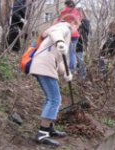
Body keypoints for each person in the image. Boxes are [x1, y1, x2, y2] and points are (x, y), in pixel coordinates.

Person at [29, 14, 80, 146]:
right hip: (44, 65)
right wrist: (60, 42)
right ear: (72, 22)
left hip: (46, 65)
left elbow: (60, 61)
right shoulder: (64, 26)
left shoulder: (66, 32)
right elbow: (54, 32)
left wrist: (66, 73)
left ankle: (49, 129)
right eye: (77, 26)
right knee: (54, 99)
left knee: (51, 98)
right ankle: (42, 134)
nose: (76, 30)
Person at [58, 0, 81, 72]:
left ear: (66, 5)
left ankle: (63, 68)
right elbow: (79, 23)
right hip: (75, 35)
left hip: (66, 34)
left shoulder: (63, 12)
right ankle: (71, 69)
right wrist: (74, 27)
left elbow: (58, 23)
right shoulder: (76, 12)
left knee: (63, 51)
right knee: (72, 52)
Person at [75, 8, 91, 80]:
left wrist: (80, 22)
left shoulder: (85, 21)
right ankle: (77, 75)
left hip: (81, 43)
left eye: (79, 13)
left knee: (80, 60)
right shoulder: (74, 22)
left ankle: (82, 77)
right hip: (74, 43)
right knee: (75, 61)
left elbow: (87, 30)